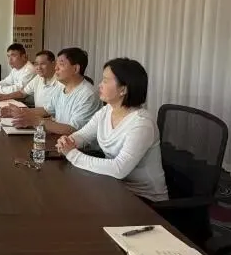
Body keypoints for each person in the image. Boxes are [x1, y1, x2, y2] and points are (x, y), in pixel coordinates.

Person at [56, 58, 168, 202]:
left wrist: (72, 154)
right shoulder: (107, 110)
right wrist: (68, 141)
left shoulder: (142, 123)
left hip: (144, 200)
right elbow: (84, 135)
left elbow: (119, 169)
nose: (100, 85)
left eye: (105, 80)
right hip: (115, 187)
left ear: (123, 89)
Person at [10, 47, 102, 135]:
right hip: (60, 139)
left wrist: (37, 121)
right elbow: (46, 110)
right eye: (56, 64)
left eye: (61, 64)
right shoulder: (62, 88)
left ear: (75, 69)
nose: (56, 68)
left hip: (78, 145)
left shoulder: (88, 94)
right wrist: (20, 112)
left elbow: (73, 129)